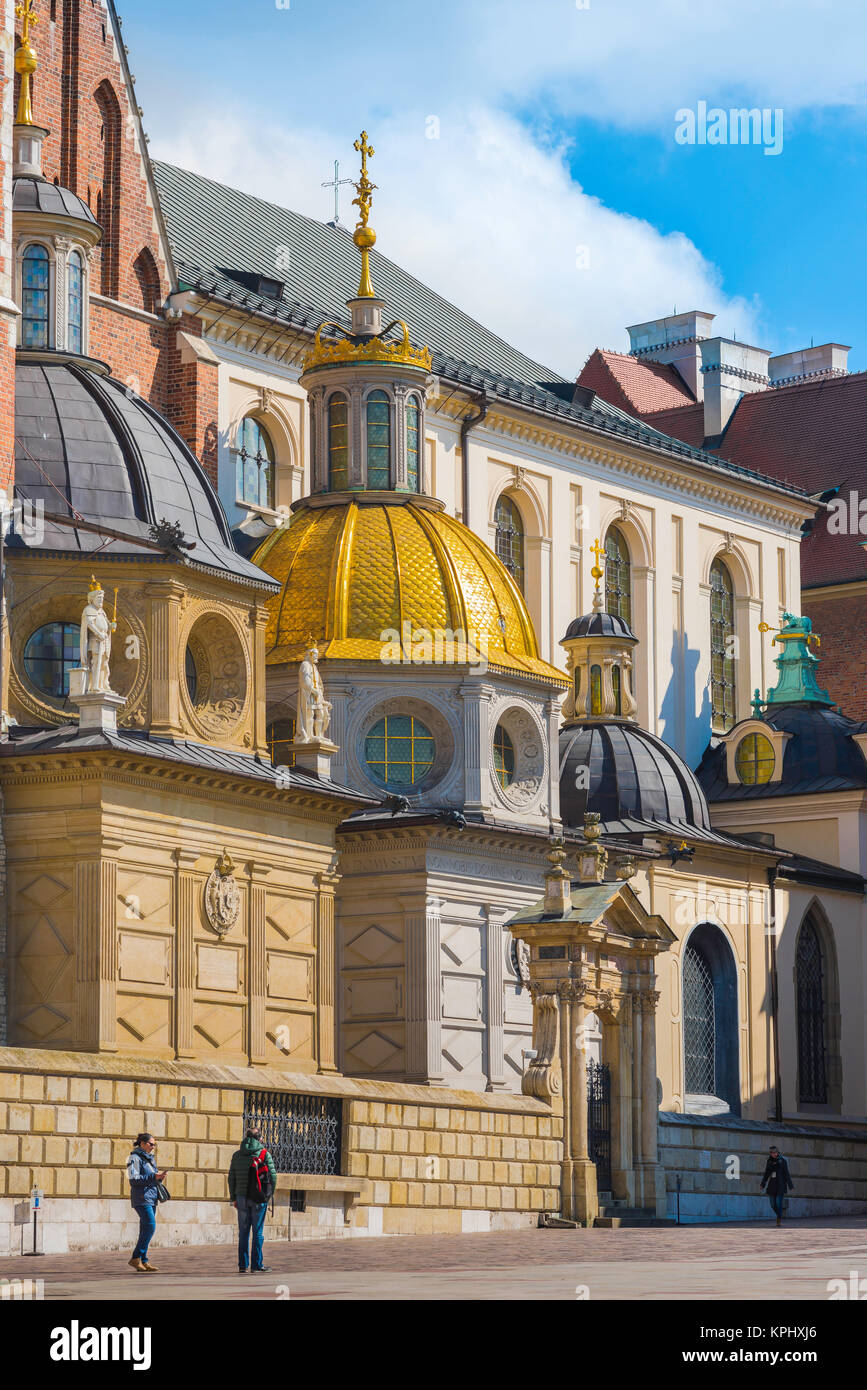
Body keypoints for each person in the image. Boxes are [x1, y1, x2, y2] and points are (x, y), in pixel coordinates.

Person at [227, 1126, 278, 1273]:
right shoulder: (263, 1153)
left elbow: (231, 1178)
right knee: (258, 1232)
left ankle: (243, 1264)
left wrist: (233, 1197)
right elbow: (273, 1176)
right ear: (259, 1138)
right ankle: (257, 1264)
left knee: (243, 1232)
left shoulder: (237, 1155)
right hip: (258, 1198)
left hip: (241, 1198)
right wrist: (268, 1194)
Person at [126, 1132, 167, 1271]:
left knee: (145, 1229)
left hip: (151, 1196)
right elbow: (133, 1179)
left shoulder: (150, 1159)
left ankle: (143, 1260)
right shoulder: (134, 1158)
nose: (153, 1147)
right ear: (142, 1144)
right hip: (141, 1197)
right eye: (151, 1144)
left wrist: (159, 1177)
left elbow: (150, 1177)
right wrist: (152, 1176)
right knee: (150, 1226)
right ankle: (135, 1257)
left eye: (154, 1144)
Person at [760, 1145, 794, 1227]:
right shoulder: (769, 1161)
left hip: (780, 1185)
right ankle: (779, 1215)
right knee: (772, 1204)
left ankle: (779, 1218)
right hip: (772, 1185)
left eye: (775, 1152)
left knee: (778, 1203)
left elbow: (787, 1174)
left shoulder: (782, 1161)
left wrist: (790, 1185)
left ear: (778, 1152)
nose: (774, 1154)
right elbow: (766, 1173)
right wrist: (763, 1184)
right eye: (772, 1153)